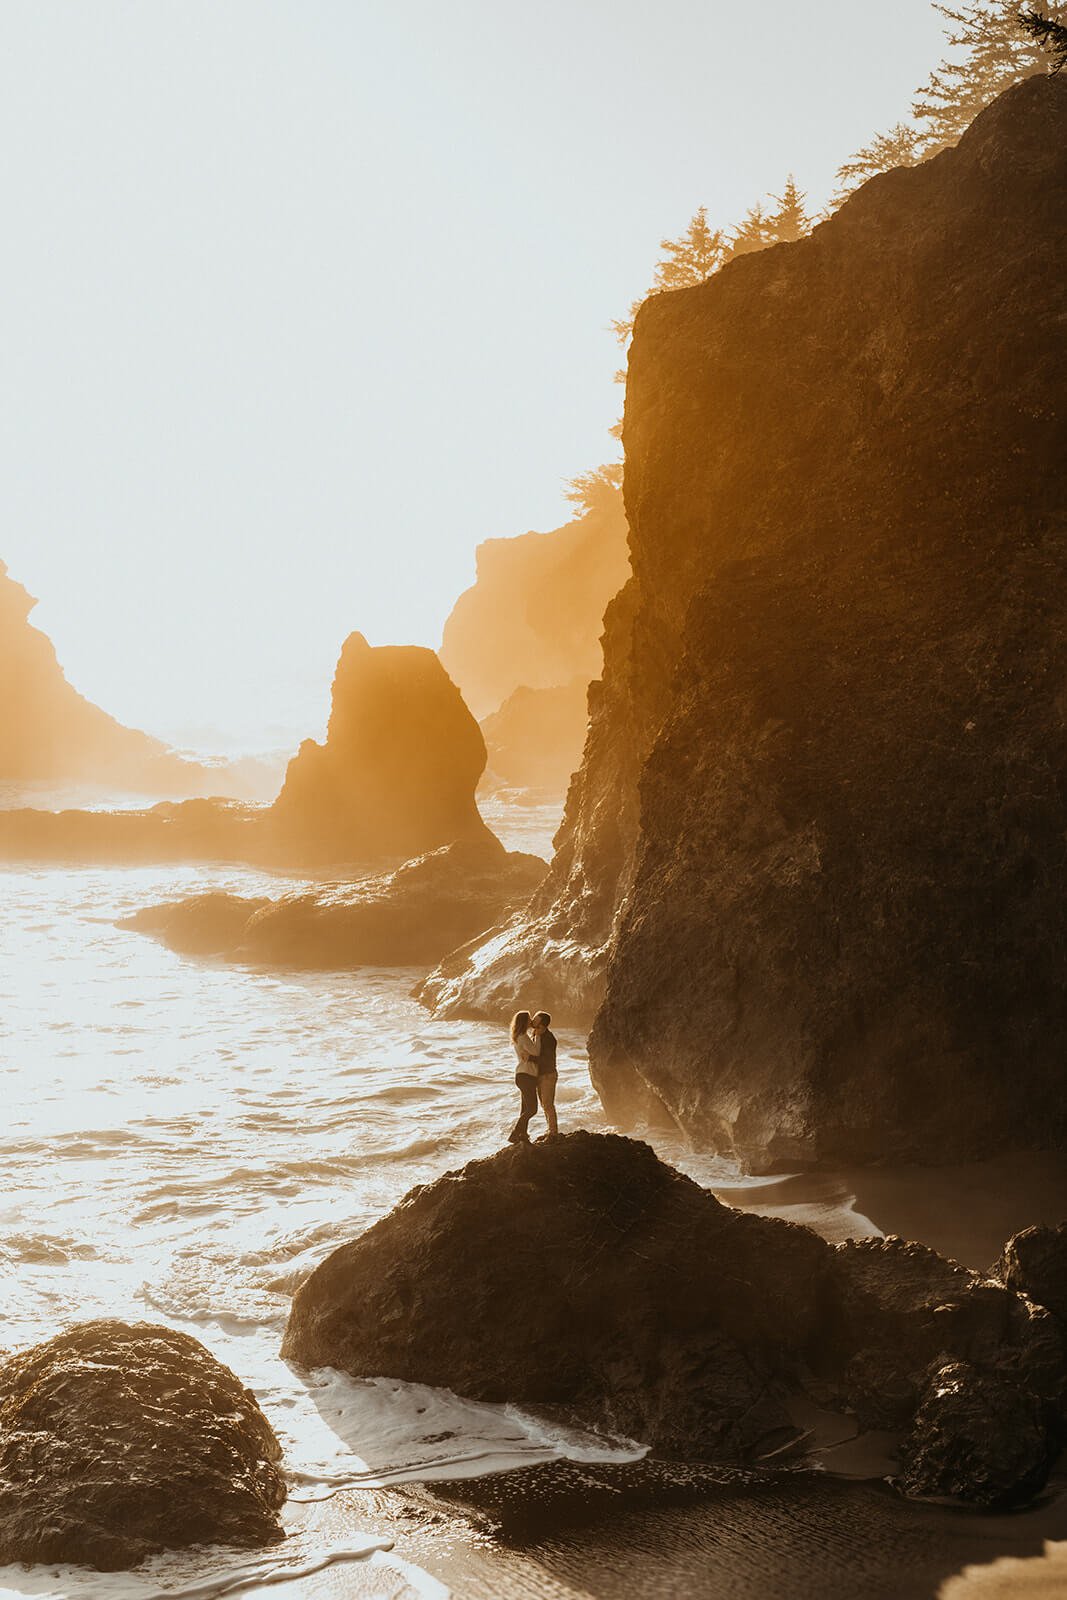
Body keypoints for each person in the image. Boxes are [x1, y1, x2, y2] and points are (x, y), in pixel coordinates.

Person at [507, 1010, 540, 1143]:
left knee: (525, 1109)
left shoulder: (519, 1036)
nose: (531, 1020)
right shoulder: (523, 1037)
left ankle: (523, 1136)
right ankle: (515, 1133)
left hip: (522, 1075)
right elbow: (536, 1052)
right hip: (527, 1075)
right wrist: (538, 1035)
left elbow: (531, 1052)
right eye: (529, 1019)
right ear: (524, 1022)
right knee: (532, 1109)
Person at [531, 1011, 559, 1135]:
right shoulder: (536, 1035)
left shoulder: (549, 1038)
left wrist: (529, 1058)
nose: (532, 1022)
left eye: (536, 1021)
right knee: (544, 1105)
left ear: (543, 1025)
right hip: (540, 1075)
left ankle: (553, 1132)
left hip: (548, 1075)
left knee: (548, 1104)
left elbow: (546, 1059)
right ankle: (550, 1130)